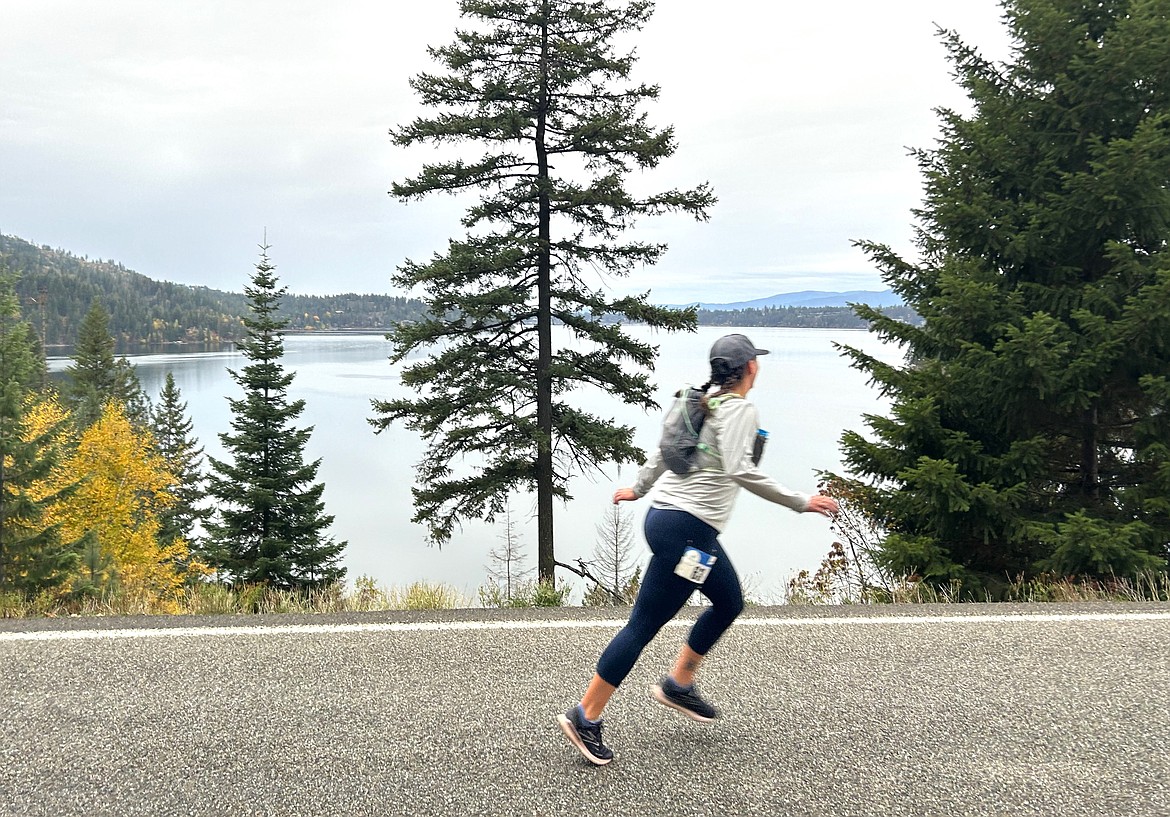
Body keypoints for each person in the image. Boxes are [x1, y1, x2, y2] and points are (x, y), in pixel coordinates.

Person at [557, 333, 839, 765]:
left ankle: (654, 692)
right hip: (688, 532)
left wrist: (638, 489)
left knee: (662, 618)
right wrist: (801, 502)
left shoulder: (702, 403)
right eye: (755, 363)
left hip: (664, 521)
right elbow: (741, 470)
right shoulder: (740, 408)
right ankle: (615, 705)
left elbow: (664, 454)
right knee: (716, 605)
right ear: (749, 368)